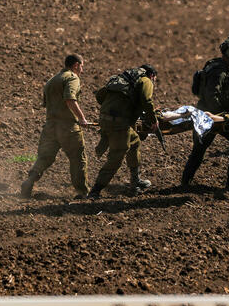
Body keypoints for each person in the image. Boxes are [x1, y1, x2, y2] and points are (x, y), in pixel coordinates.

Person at [181, 36, 229, 190]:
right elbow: (212, 95)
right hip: (212, 117)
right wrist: (223, 117)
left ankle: (185, 182)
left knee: (199, 150)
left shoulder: (215, 66)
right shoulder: (219, 71)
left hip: (207, 115)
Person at [21, 53, 90, 199]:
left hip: (50, 127)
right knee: (78, 158)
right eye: (82, 66)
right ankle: (83, 192)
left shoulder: (51, 80)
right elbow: (70, 99)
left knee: (45, 157)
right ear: (76, 65)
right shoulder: (72, 77)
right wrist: (82, 118)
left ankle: (29, 181)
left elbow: (47, 104)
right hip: (68, 128)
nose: (82, 70)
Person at [87, 64, 158, 198]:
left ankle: (135, 180)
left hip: (106, 119)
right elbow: (147, 100)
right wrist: (153, 120)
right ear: (152, 75)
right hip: (119, 124)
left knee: (134, 141)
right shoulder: (146, 80)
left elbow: (100, 96)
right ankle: (95, 190)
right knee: (116, 156)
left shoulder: (123, 78)